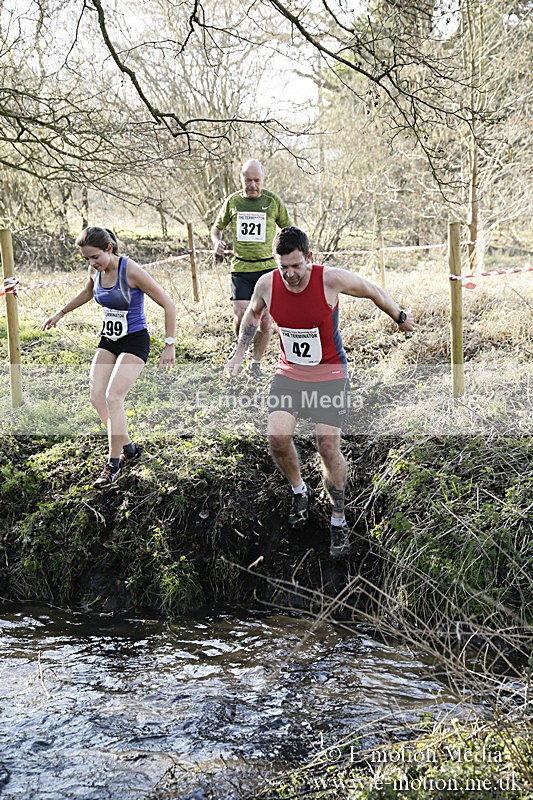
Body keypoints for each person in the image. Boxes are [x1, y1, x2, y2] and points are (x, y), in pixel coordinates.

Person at [225, 226, 415, 558]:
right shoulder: (267, 284)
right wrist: (239, 354)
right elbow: (252, 316)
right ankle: (300, 490)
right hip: (289, 372)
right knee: (276, 438)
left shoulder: (330, 280)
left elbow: (371, 290)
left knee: (327, 445)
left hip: (328, 371)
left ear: (309, 258)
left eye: (296, 266)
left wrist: (398, 316)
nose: (290, 274)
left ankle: (338, 519)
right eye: (283, 266)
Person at [42, 226, 176, 488]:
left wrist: (169, 345)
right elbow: (88, 292)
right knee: (96, 397)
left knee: (113, 397)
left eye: (95, 257)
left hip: (135, 340)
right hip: (109, 340)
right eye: (86, 259)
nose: (92, 263)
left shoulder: (131, 270)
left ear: (109, 249)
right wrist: (60, 313)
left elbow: (168, 304)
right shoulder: (95, 270)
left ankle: (113, 464)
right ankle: (128, 447)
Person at [211, 158, 292, 377]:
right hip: (241, 268)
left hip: (266, 268)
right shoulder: (233, 202)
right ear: (242, 180)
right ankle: (241, 352)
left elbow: (289, 230)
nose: (253, 185)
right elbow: (216, 229)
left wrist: (287, 256)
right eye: (248, 181)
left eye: (257, 180)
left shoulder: (273, 201)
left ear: (263, 179)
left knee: (265, 321)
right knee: (241, 315)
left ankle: (256, 363)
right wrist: (216, 242)